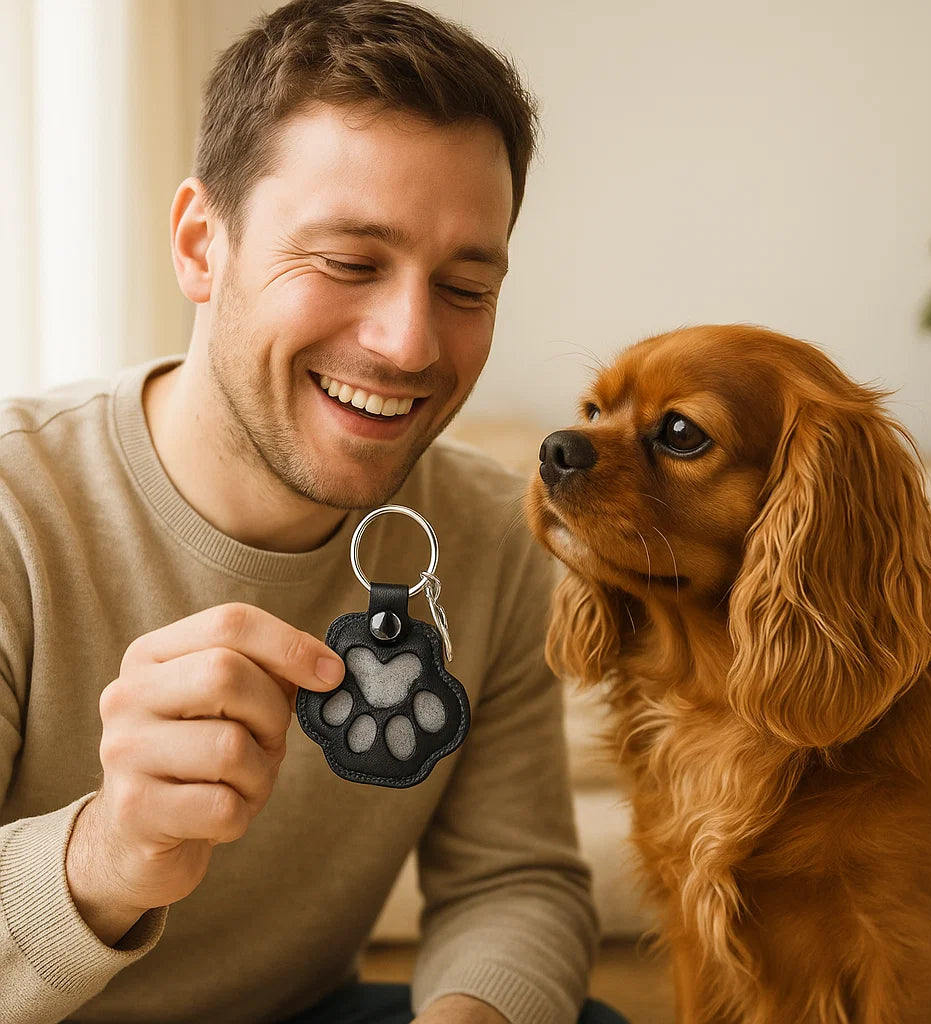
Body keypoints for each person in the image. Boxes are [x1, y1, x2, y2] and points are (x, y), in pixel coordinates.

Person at [0, 2, 625, 1021]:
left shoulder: (488, 535)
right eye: (347, 262)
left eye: (466, 286)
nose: (410, 343)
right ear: (203, 244)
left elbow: (513, 882)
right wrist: (106, 853)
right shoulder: (17, 509)